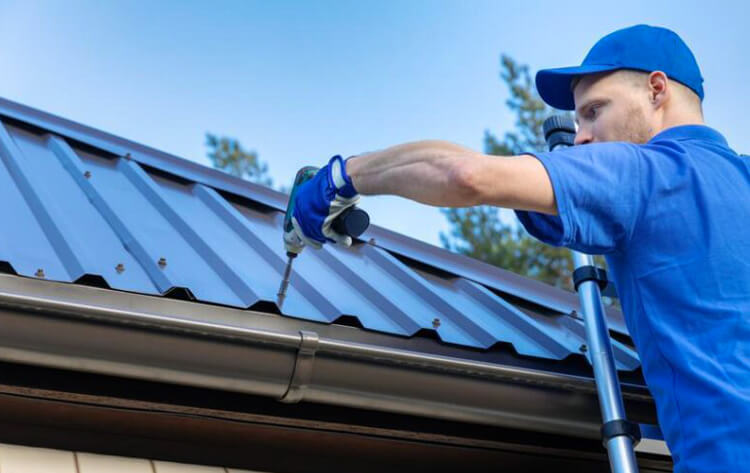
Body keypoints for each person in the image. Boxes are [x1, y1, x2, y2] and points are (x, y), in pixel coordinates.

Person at [287, 24, 750, 472]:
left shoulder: (644, 173)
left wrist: (342, 176)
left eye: (593, 111)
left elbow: (465, 175)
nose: (582, 136)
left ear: (656, 90)